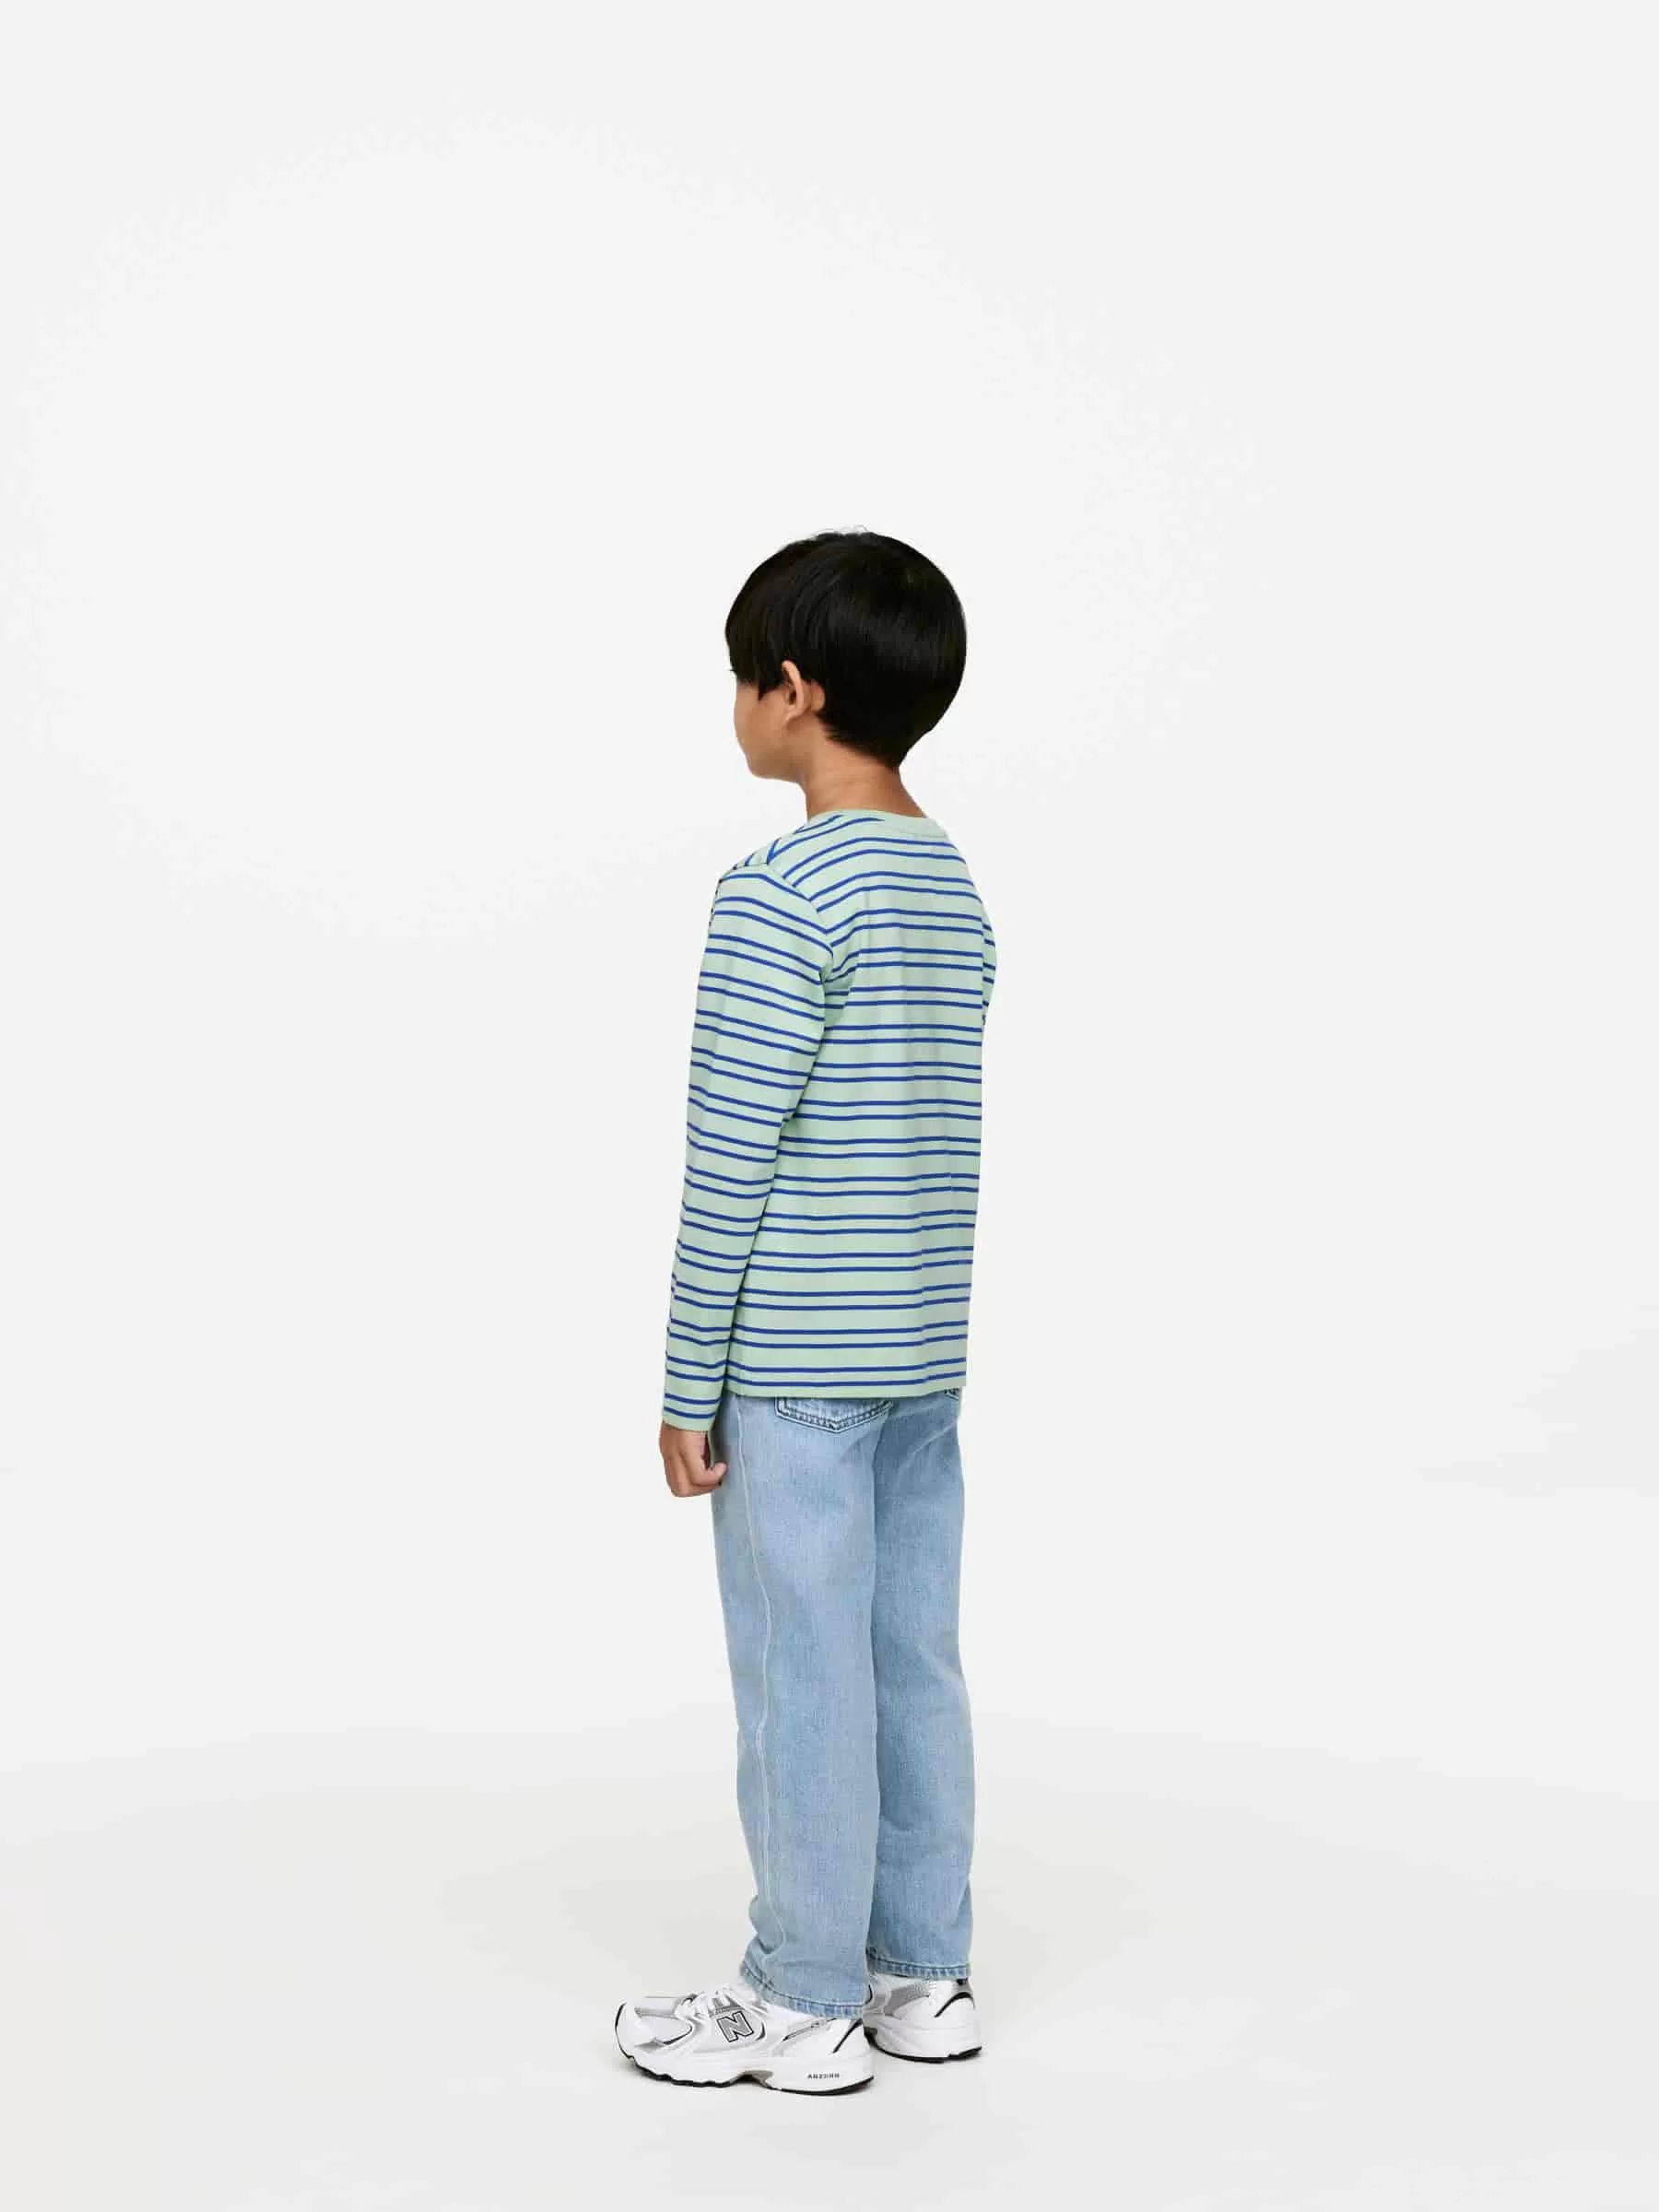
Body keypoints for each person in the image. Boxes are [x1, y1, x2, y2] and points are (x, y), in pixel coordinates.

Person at [614, 530, 997, 2095]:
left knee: (801, 1674)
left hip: (791, 1363)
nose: (736, 704)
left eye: (741, 676)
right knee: (910, 1659)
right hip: (922, 1353)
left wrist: (686, 1378)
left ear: (794, 688)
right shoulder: (951, 883)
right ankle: (921, 1974)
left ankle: (799, 1998)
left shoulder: (780, 892)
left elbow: (733, 1151)